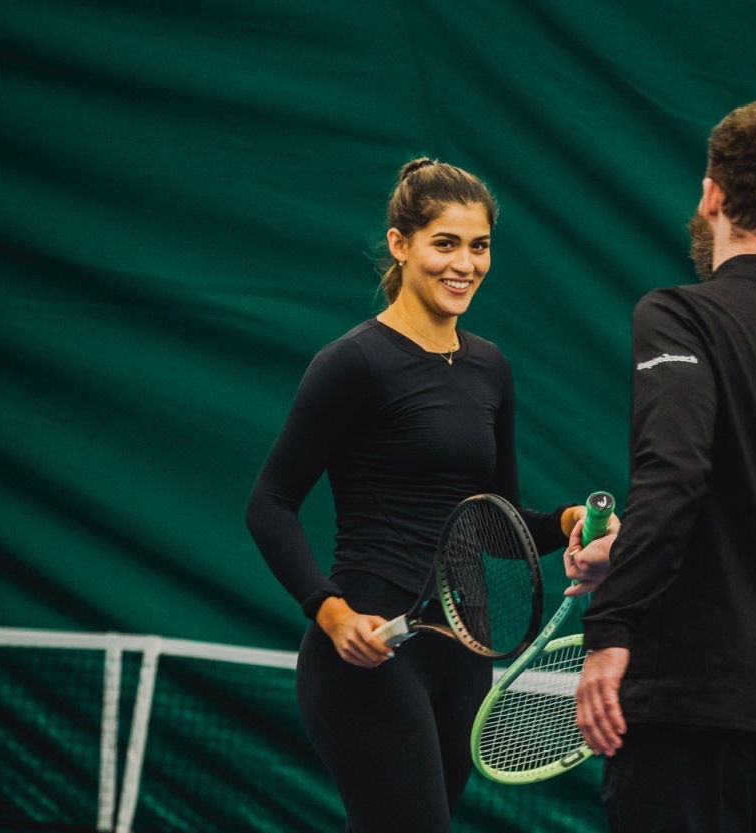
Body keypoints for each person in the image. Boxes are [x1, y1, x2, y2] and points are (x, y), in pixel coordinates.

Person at [246, 158, 583, 833]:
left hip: (463, 659)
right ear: (401, 244)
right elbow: (269, 504)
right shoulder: (354, 363)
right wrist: (333, 614)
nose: (465, 264)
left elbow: (499, 528)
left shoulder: (489, 366)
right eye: (445, 243)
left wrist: (570, 521)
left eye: (479, 245)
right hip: (368, 654)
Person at [564, 100, 756, 832]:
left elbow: (677, 474)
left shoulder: (677, 315)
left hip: (696, 711)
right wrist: (629, 552)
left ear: (712, 195)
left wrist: (611, 628)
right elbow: (743, 518)